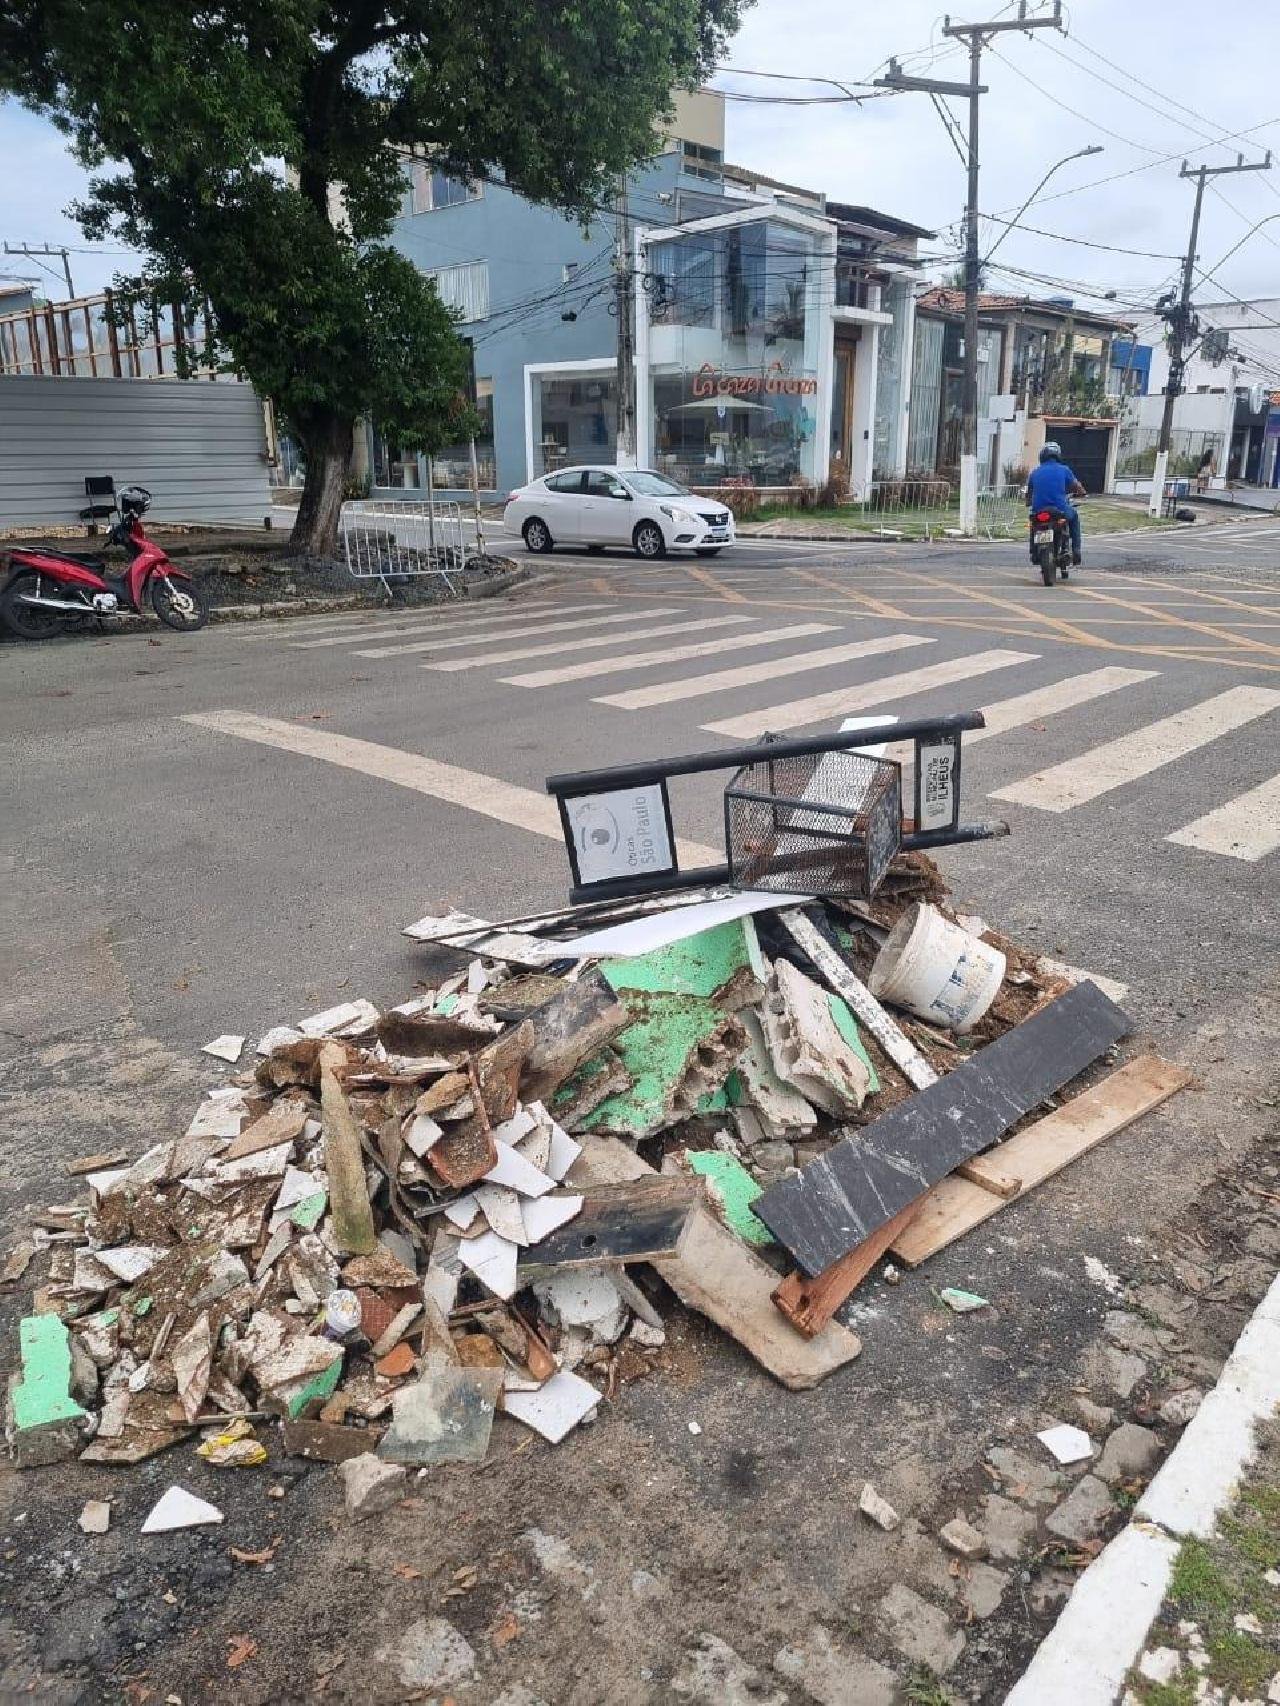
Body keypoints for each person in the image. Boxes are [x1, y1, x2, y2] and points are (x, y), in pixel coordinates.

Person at [1026, 442, 1086, 572]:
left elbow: (1028, 495)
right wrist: (1082, 492)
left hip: (1039, 511)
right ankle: (1076, 551)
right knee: (1074, 517)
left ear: (1042, 456)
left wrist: (1028, 502)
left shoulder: (1035, 472)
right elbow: (1077, 486)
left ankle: (1033, 550)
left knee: (1033, 524)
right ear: (1058, 455)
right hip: (1059, 510)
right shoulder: (1064, 470)